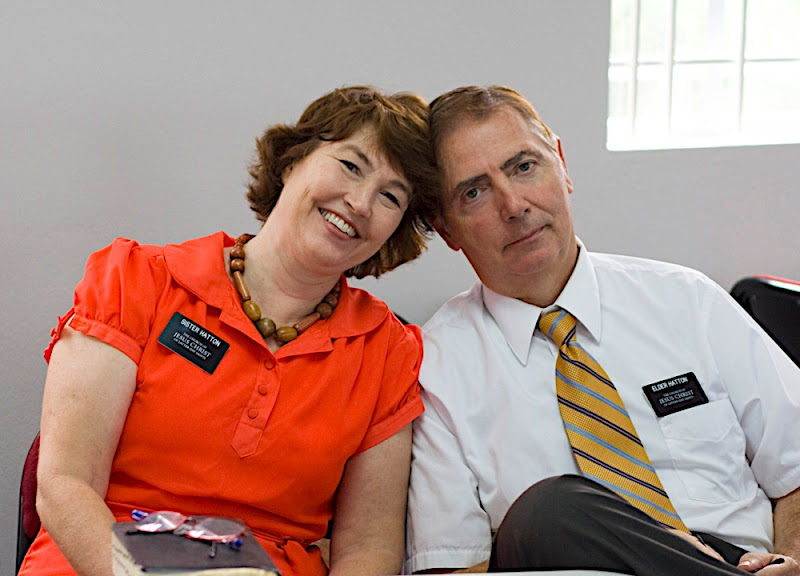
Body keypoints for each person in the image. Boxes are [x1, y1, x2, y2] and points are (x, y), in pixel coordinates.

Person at [20, 85, 438, 576]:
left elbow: (368, 549)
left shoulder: (386, 351)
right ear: (292, 162)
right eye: (351, 165)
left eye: (390, 196)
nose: (361, 202)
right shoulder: (137, 281)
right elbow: (66, 485)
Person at [405, 85, 800, 575]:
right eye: (474, 192)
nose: (513, 204)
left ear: (562, 164)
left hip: (748, 563)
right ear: (446, 228)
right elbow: (452, 569)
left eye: (524, 166)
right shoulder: (435, 369)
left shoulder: (687, 300)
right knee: (548, 513)